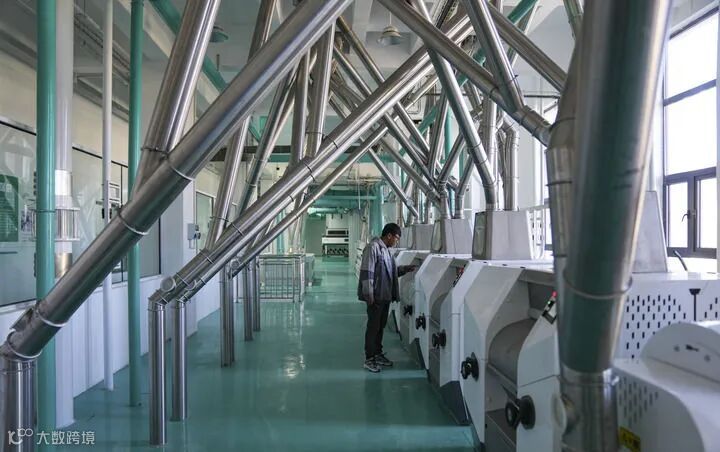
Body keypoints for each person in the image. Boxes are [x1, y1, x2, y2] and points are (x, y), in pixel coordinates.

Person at [357, 223, 416, 372]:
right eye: (396, 238)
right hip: (375, 297)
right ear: (389, 235)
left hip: (385, 296)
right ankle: (369, 359)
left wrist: (405, 269)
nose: (396, 241)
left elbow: (391, 272)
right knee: (373, 328)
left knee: (380, 327)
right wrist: (369, 296)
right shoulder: (373, 248)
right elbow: (367, 272)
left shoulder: (387, 251)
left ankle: (377, 354)